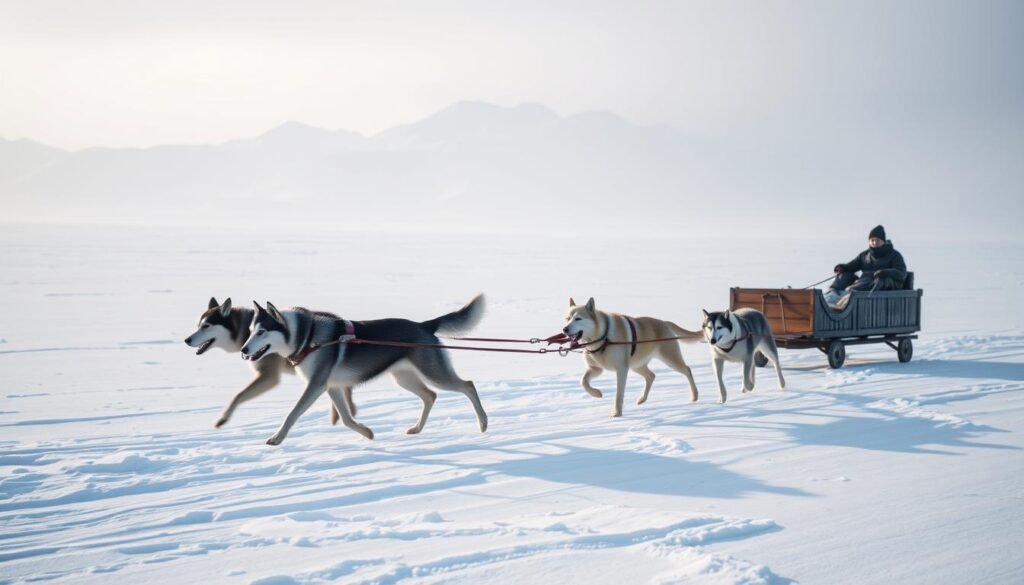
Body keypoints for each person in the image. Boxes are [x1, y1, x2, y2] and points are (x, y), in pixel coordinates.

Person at [824, 225, 907, 308]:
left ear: (883, 241)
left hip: (881, 282)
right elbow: (853, 265)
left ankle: (844, 300)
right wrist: (842, 268)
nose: (874, 242)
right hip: (863, 282)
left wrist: (885, 272)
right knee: (843, 275)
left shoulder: (894, 255)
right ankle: (831, 296)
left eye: (877, 240)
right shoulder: (865, 255)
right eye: (872, 240)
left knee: (869, 281)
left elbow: (902, 273)